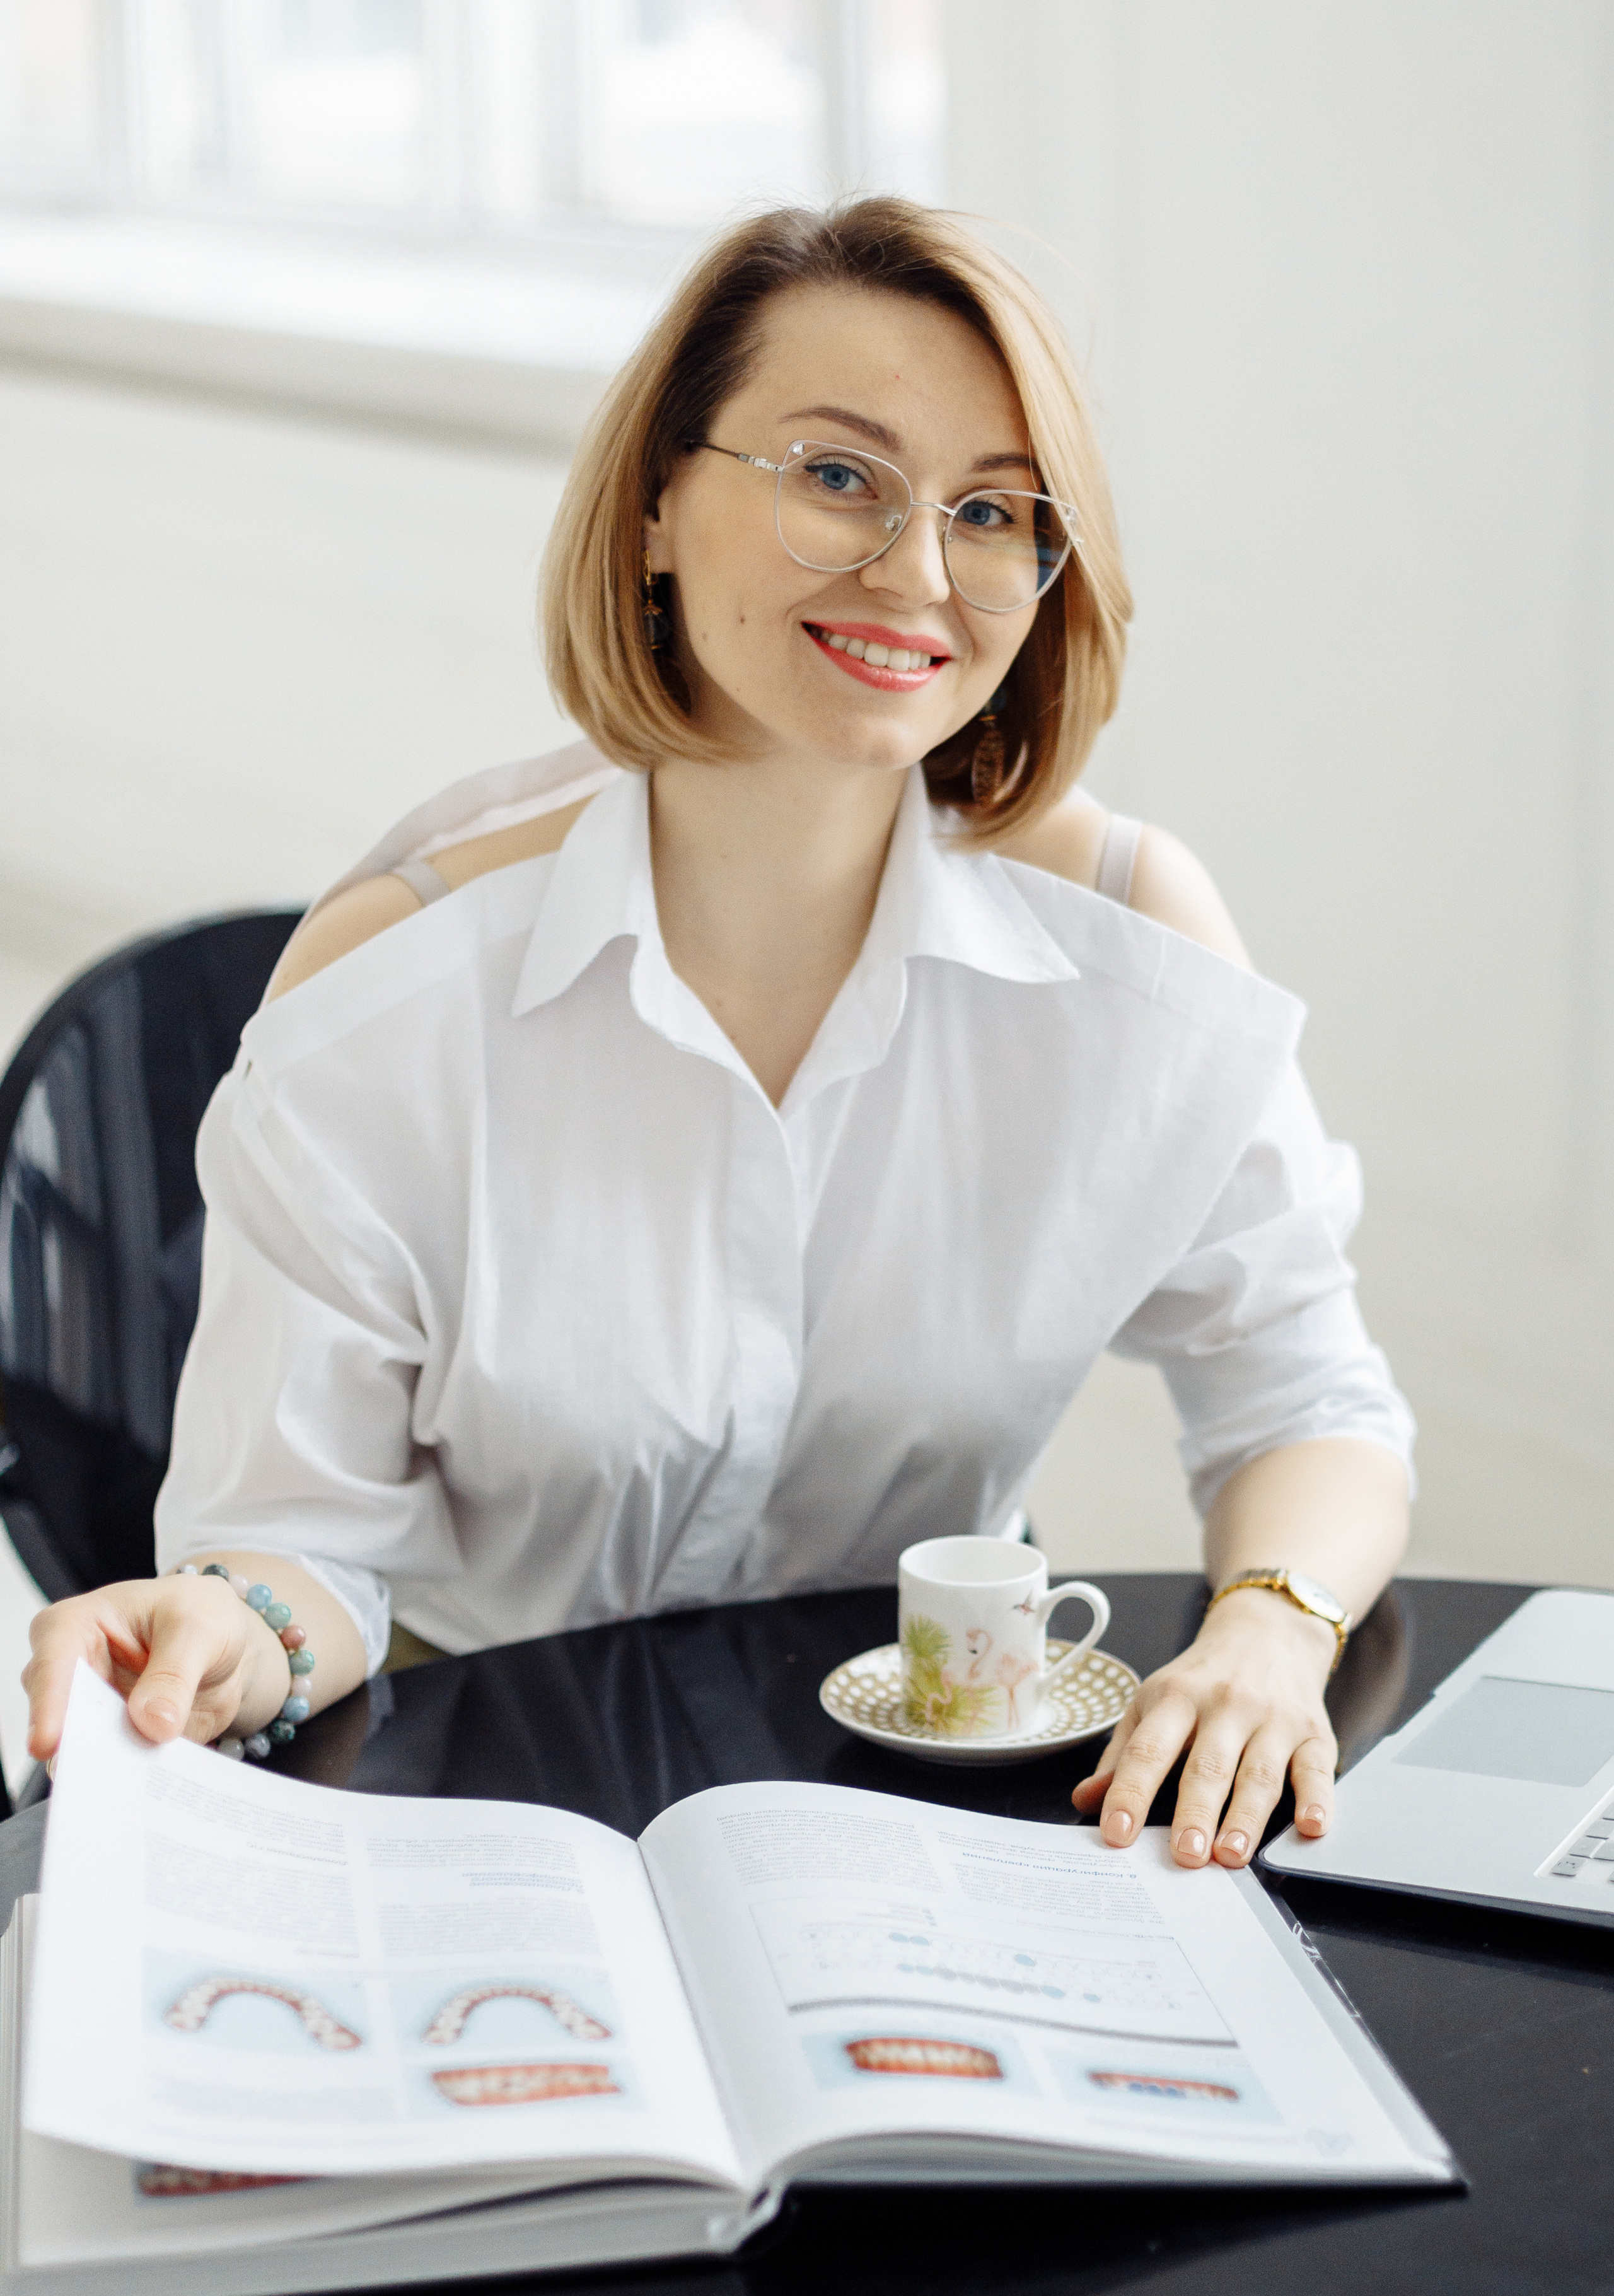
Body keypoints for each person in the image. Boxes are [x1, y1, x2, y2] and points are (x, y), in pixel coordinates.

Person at [21, 197, 1413, 1870]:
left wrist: (1271, 1628)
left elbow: (1311, 1402)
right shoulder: (407, 977)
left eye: (990, 509)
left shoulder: (1127, 945)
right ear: (662, 501)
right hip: (486, 1802)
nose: (916, 570)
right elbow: (300, 1552)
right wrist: (228, 1629)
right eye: (839, 475)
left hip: (914, 1821)